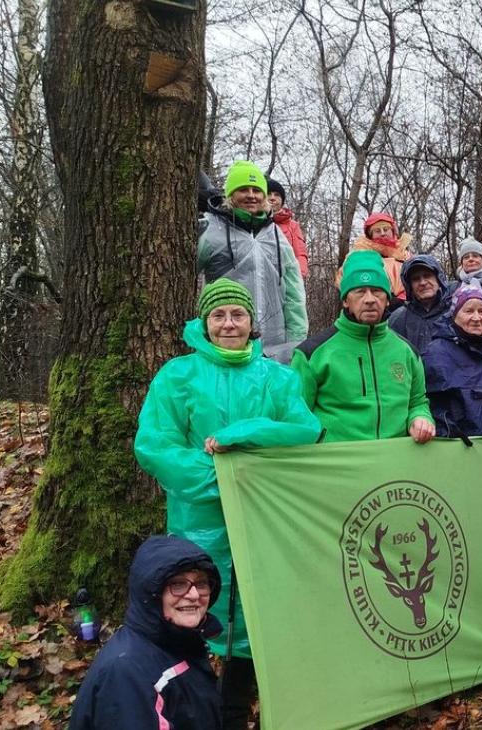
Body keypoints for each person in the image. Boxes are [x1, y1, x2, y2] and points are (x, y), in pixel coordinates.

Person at [134, 278, 323, 728]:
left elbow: (303, 430)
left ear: (251, 322)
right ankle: (192, 704)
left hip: (264, 519)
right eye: (218, 315)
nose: (229, 324)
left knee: (256, 614)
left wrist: (245, 433)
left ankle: (237, 708)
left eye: (237, 315)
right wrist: (223, 480)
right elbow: (155, 446)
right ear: (205, 323)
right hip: (200, 520)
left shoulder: (278, 378)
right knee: (196, 604)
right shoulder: (178, 376)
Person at [69, 535, 223, 730]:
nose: (194, 595)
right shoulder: (127, 673)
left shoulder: (180, 646)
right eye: (178, 584)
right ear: (151, 594)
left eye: (201, 583)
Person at [293, 250, 435, 444]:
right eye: (360, 291)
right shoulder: (311, 354)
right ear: (346, 300)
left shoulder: (407, 351)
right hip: (337, 458)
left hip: (395, 457)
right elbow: (296, 415)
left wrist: (420, 418)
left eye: (377, 291)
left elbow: (418, 402)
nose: (369, 299)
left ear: (387, 299)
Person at [197, 160, 307, 363]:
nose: (251, 195)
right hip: (225, 344)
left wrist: (297, 340)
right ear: (230, 195)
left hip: (274, 350)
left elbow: (294, 291)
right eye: (243, 189)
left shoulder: (275, 235)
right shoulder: (211, 229)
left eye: (256, 190)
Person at [421, 284, 482, 437]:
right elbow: (430, 404)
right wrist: (450, 434)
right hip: (459, 446)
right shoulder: (436, 354)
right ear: (454, 314)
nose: (476, 318)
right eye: (469, 311)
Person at [337, 212, 413, 306]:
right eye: (377, 231)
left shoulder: (404, 254)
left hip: (407, 305)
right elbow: (346, 280)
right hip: (371, 303)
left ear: (392, 231)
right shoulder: (360, 254)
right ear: (371, 235)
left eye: (386, 229)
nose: (383, 233)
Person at [386, 254, 452, 354]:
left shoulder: (455, 311)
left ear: (438, 279)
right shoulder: (398, 319)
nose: (422, 282)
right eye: (416, 279)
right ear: (409, 286)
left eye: (427, 276)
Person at [266, 179, 309, 277]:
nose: (272, 198)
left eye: (277, 195)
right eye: (269, 194)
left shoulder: (292, 226)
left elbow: (300, 253)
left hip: (286, 277)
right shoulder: (255, 222)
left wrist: (298, 277)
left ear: (282, 200)